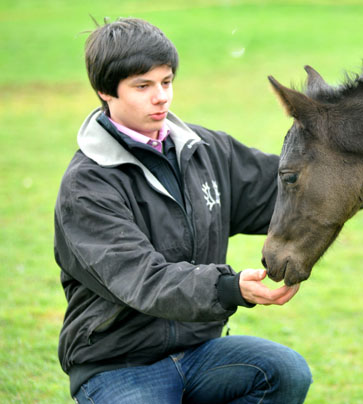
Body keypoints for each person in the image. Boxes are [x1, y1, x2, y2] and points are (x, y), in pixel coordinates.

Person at [54, 17, 312, 404]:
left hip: (198, 351)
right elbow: (144, 279)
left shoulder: (207, 150)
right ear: (105, 91)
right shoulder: (86, 187)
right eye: (143, 86)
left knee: (285, 372)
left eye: (166, 81)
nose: (161, 97)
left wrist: (359, 166)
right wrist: (228, 287)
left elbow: (289, 192)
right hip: (118, 365)